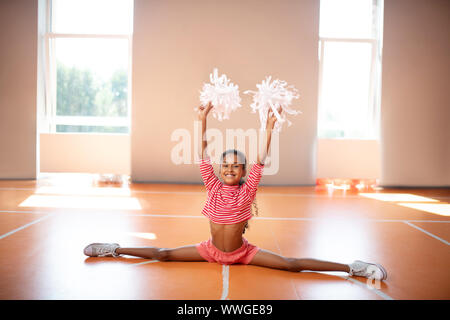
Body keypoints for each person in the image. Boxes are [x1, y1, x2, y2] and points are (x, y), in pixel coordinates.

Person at [84, 102, 387, 281]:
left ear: (243, 173)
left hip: (242, 253)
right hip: (211, 251)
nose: (229, 169)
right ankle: (113, 248)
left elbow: (260, 158)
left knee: (292, 266)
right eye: (225, 165)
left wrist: (268, 128)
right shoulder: (212, 184)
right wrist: (202, 120)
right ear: (218, 169)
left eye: (235, 167)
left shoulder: (248, 191)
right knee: (163, 255)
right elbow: (201, 150)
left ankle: (353, 267)